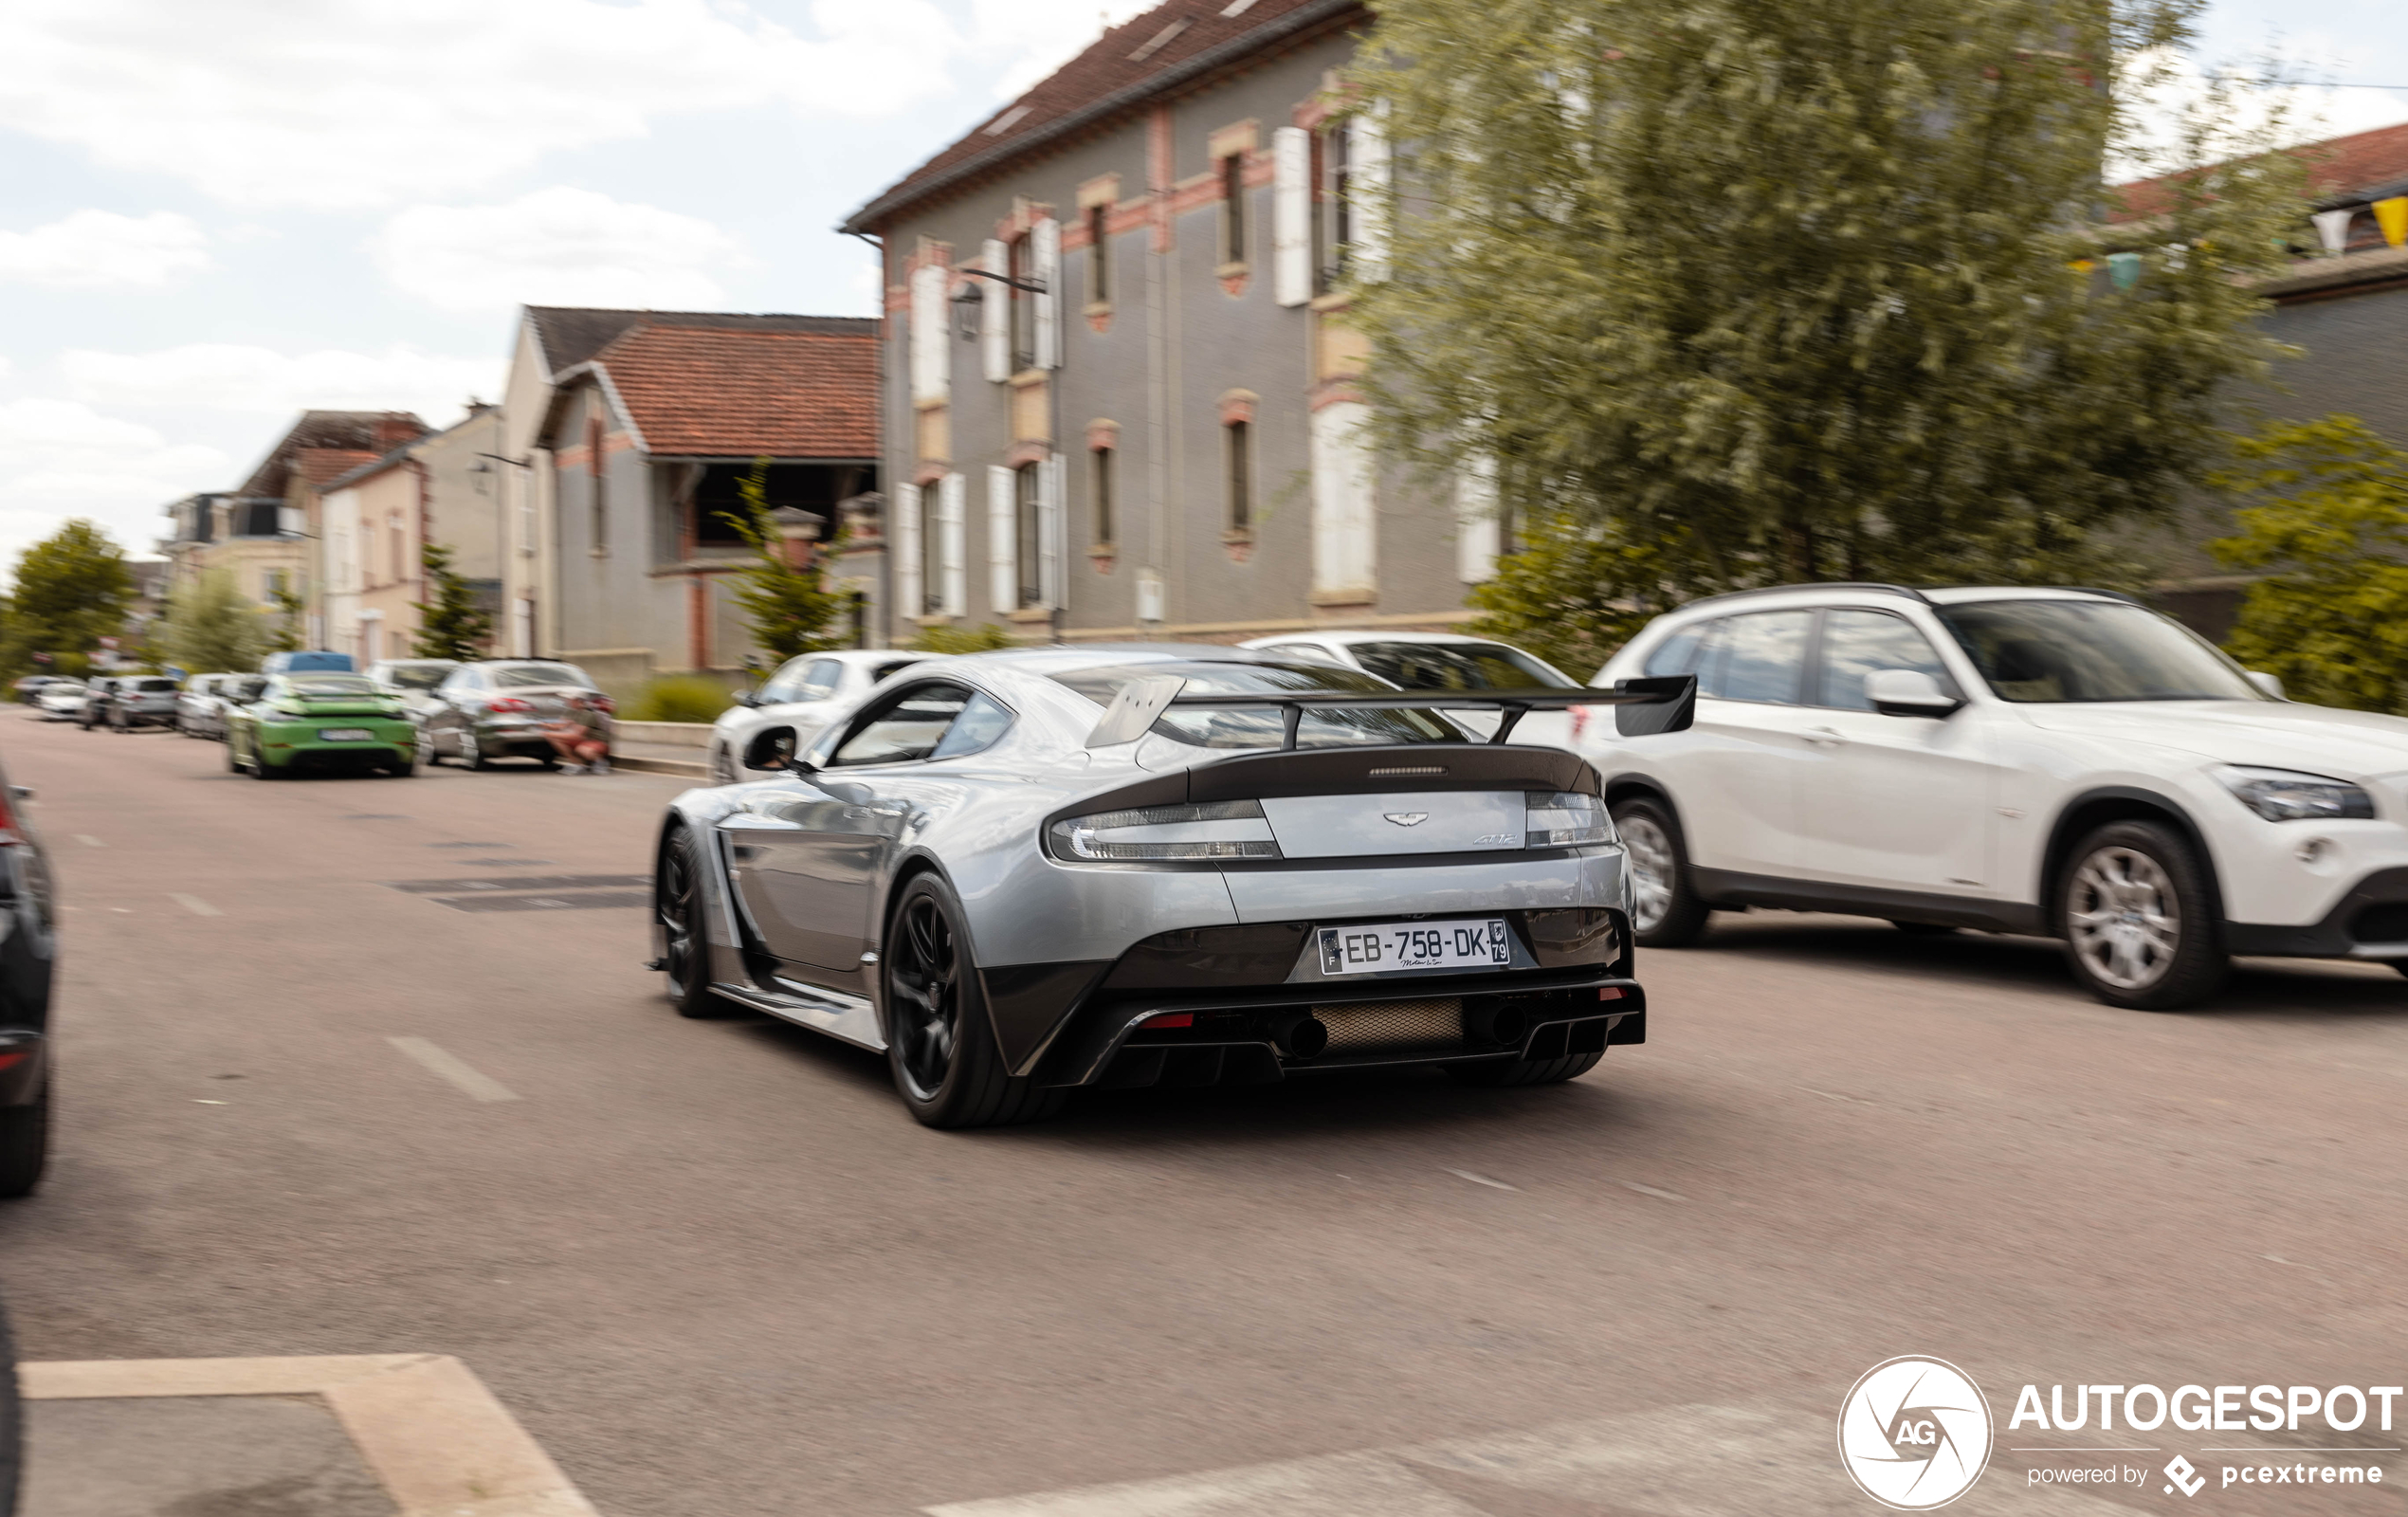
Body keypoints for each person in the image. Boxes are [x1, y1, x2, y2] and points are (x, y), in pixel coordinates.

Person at [540, 693, 612, 775]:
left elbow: (578, 735)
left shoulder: (588, 713)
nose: (567, 701)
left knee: (582, 749)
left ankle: (600, 763)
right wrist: (546, 726)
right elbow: (560, 725)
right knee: (555, 739)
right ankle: (577, 764)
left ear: (579, 701)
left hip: (597, 741)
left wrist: (550, 734)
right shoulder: (570, 711)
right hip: (584, 740)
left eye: (570, 700)